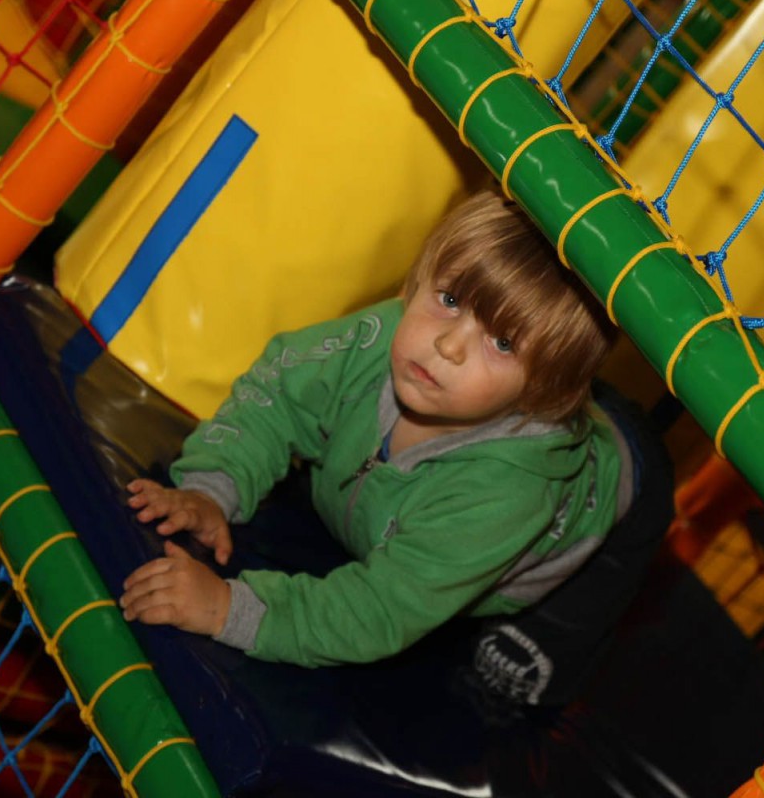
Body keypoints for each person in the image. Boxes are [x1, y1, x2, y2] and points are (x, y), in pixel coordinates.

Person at [118, 190, 641, 678]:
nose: (448, 344)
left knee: (521, 673)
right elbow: (279, 395)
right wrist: (213, 488)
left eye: (503, 343)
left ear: (541, 391)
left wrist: (227, 610)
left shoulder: (508, 494)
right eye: (450, 299)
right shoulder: (381, 339)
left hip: (622, 496)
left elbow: (380, 611)